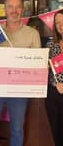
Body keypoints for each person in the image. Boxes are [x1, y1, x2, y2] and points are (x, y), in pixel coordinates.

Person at [0, 0, 41, 146]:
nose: (14, 11)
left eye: (18, 7)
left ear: (23, 10)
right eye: (10, 7)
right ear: (5, 9)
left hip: (19, 90)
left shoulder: (32, 34)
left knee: (17, 129)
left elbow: (38, 65)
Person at [45, 9, 63, 146]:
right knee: (55, 131)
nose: (61, 25)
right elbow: (46, 70)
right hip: (54, 94)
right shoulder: (50, 46)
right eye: (57, 23)